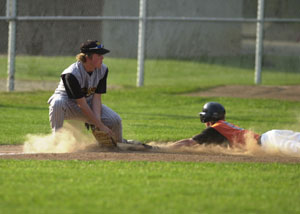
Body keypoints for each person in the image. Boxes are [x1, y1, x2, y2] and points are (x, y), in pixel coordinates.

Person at [47, 40, 122, 142]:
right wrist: (99, 125)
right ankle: (56, 140)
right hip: (68, 105)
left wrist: (98, 122)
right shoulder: (71, 74)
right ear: (88, 56)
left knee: (115, 120)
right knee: (57, 102)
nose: (102, 57)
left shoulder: (103, 70)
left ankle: (117, 143)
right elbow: (81, 104)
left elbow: (96, 98)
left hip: (89, 102)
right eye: (99, 55)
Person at [172, 102, 300, 155]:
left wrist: (164, 147)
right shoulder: (224, 126)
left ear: (208, 118)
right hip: (272, 135)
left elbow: (189, 142)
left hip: (270, 142)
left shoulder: (216, 128)